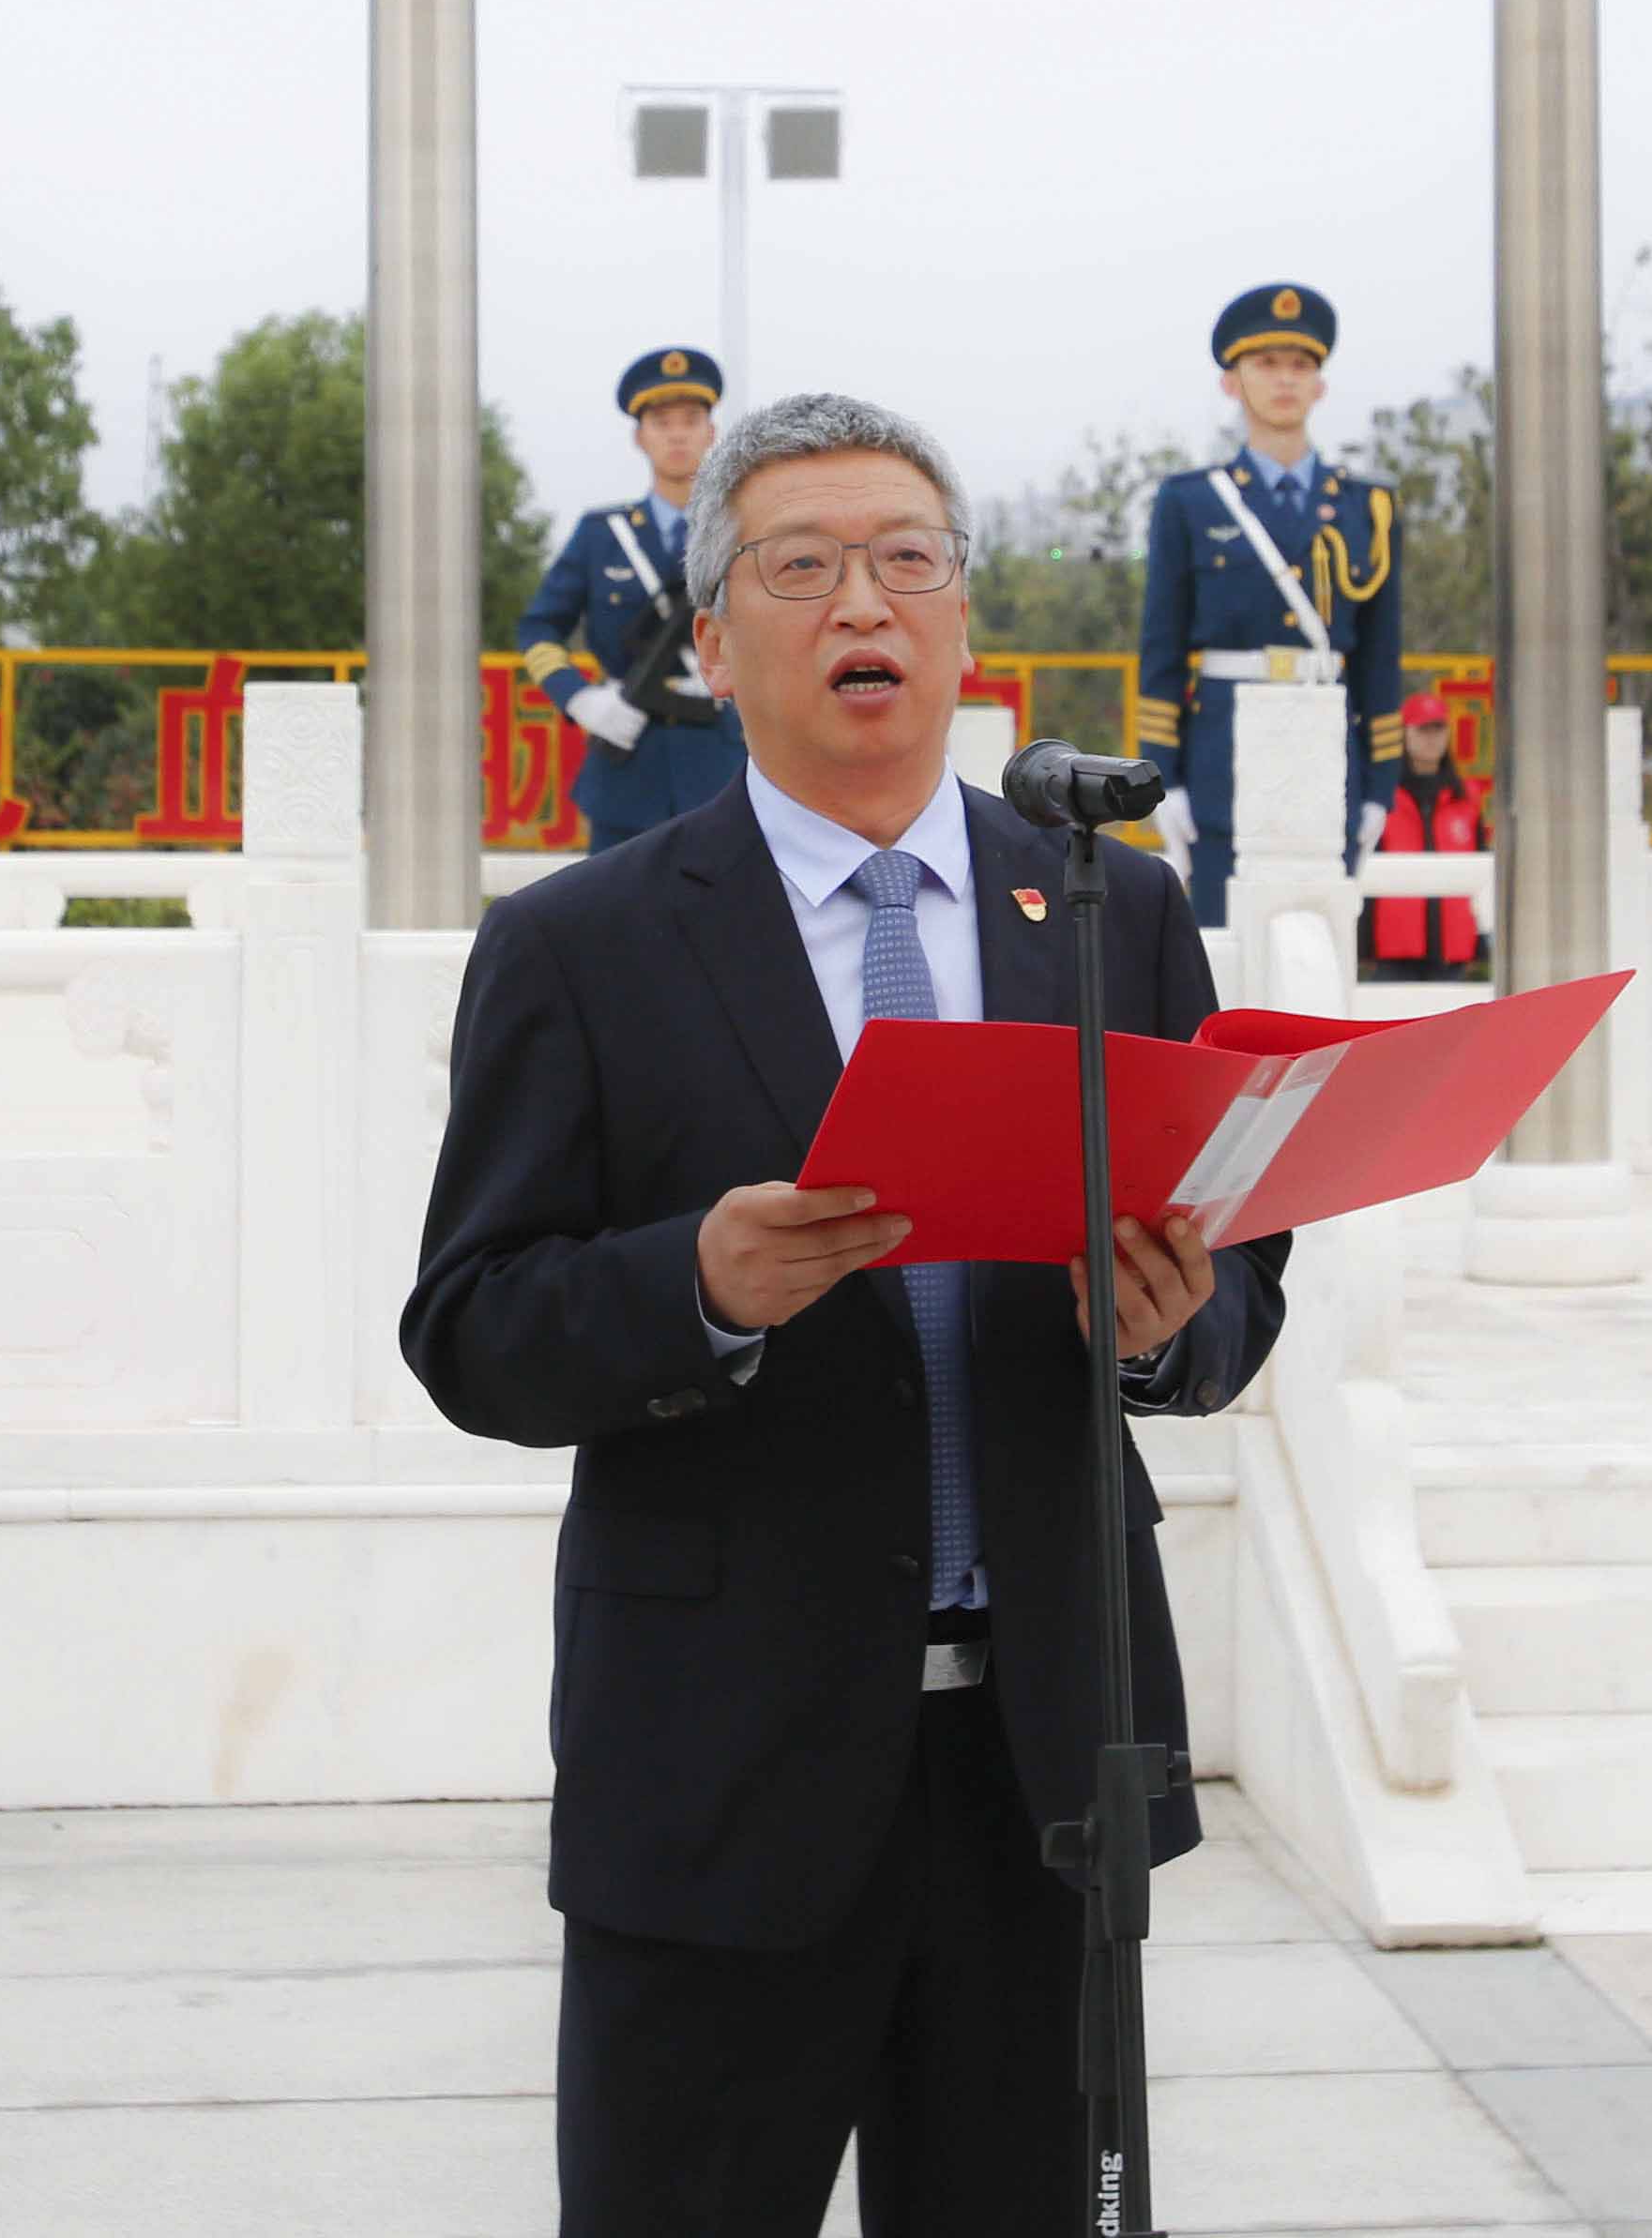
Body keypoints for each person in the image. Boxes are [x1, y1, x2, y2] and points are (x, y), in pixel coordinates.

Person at [402, 392, 1290, 2231]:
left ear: (962, 623)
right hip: (720, 1770)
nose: (861, 604)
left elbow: (1240, 1285)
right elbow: (473, 1328)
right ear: (715, 644)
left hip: (1042, 1766)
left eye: (905, 561)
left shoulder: (1107, 914)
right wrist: (695, 1286)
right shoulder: (584, 944)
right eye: (799, 567)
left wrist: (1158, 1327)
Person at [1135, 282, 1405, 925]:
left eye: (1301, 365)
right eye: (1266, 364)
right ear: (1232, 383)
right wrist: (1163, 775)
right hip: (1222, 760)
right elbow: (1162, 649)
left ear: (1321, 386)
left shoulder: (1368, 507)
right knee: (1223, 946)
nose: (1286, 380)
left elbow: (1380, 656)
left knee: (1324, 942)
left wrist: (1380, 785)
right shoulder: (1192, 501)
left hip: (1328, 755)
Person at [514, 346, 751, 853]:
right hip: (628, 765)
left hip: (723, 762)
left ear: (711, 432)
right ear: (639, 437)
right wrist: (580, 700)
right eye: (662, 422)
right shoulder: (602, 535)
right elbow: (538, 628)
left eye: (690, 420)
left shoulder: (745, 532)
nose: (677, 434)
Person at [1360, 688, 1487, 980]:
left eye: (1438, 729)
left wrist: (1479, 942)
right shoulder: (1384, 801)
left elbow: (1480, 876)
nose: (1431, 738)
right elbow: (1367, 873)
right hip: (1393, 950)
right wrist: (1363, 945)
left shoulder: (1466, 799)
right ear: (1405, 734)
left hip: (1453, 950)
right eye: (1422, 729)